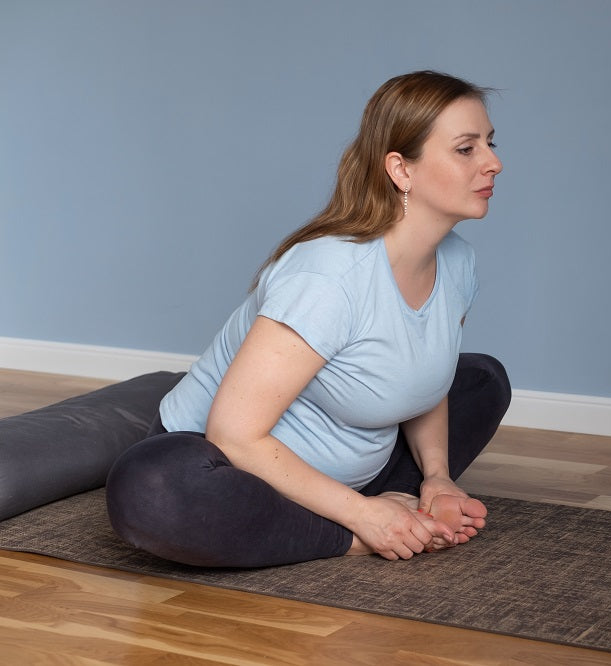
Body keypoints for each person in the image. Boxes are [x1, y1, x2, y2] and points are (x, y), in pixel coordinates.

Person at [105, 71, 511, 567]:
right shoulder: (327, 276)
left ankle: (393, 509)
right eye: (466, 149)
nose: (494, 162)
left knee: (484, 378)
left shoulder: (458, 262)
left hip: (357, 471)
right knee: (154, 489)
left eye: (489, 143)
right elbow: (233, 436)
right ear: (401, 170)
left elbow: (422, 382)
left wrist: (438, 479)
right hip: (228, 465)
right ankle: (362, 531)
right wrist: (364, 519)